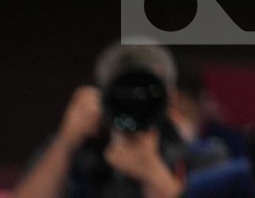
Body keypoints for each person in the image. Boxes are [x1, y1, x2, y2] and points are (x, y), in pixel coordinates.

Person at [15, 42, 189, 198]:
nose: (135, 103)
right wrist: (66, 143)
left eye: (148, 94)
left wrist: (154, 176)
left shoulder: (196, 157)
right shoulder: (76, 153)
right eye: (124, 93)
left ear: (171, 98)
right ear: (101, 95)